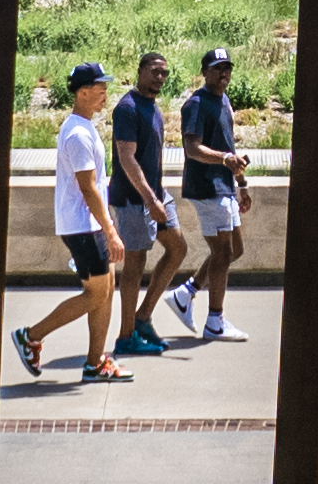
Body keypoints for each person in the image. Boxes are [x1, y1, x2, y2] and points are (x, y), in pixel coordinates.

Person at [13, 64, 131, 384]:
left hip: (88, 225)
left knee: (104, 292)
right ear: (82, 93)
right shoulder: (78, 133)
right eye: (100, 88)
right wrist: (110, 229)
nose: (105, 92)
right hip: (82, 227)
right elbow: (87, 186)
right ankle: (31, 336)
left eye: (106, 86)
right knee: (96, 295)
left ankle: (95, 364)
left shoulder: (83, 127)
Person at [105, 50, 187, 357]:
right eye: (155, 71)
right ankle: (126, 337)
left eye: (164, 73)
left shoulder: (152, 107)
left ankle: (142, 318)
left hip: (154, 194)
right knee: (135, 266)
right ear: (140, 71)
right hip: (133, 200)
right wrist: (150, 200)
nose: (160, 77)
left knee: (177, 248)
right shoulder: (127, 108)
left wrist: (156, 197)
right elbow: (126, 157)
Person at [168, 47, 252, 343]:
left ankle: (185, 293)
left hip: (225, 186)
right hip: (206, 187)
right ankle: (215, 321)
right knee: (223, 252)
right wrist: (224, 161)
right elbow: (192, 148)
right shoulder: (196, 104)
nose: (224, 73)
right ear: (204, 72)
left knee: (234, 250)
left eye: (227, 67)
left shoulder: (224, 101)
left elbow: (228, 146)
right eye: (217, 68)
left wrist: (241, 184)